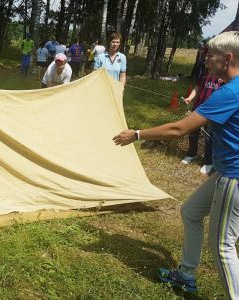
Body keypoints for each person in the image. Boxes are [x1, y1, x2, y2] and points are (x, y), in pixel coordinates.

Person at [112, 31, 239, 298]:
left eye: (211, 57)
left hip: (234, 178)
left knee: (222, 245)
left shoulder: (229, 92)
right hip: (225, 173)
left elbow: (179, 129)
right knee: (191, 211)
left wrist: (136, 134)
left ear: (227, 59)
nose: (206, 61)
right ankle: (185, 276)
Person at [182, 66, 223, 175]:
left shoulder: (224, 75)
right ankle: (191, 154)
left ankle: (209, 162)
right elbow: (197, 87)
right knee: (193, 133)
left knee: (209, 137)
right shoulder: (205, 72)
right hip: (198, 108)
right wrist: (190, 98)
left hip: (213, 111)